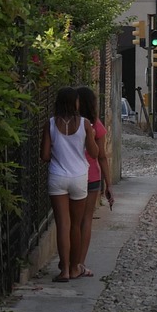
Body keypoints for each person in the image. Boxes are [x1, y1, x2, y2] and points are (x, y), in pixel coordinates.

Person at [40, 86, 99, 282]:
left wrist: (58, 156)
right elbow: (94, 152)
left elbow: (45, 155)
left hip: (57, 177)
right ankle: (75, 268)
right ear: (75, 103)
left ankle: (64, 270)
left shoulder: (50, 124)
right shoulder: (84, 124)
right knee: (76, 225)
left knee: (62, 225)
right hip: (79, 178)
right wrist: (89, 136)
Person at [73, 85, 114, 280]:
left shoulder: (67, 124)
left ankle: (69, 263)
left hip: (71, 176)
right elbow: (102, 157)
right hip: (92, 178)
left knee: (71, 222)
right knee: (85, 221)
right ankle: (80, 263)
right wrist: (109, 185)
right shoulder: (95, 124)